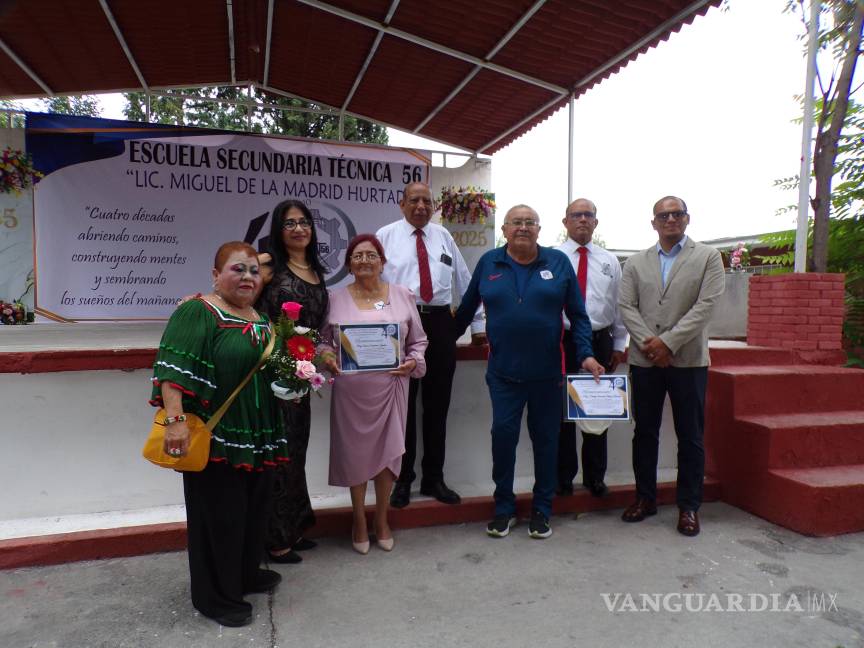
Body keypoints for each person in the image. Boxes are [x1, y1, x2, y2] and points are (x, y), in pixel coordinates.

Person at [150, 241, 287, 627]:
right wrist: (174, 420)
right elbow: (172, 366)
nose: (247, 277)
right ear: (215, 275)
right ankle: (216, 597)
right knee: (220, 516)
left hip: (256, 436)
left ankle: (244, 574)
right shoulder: (199, 311)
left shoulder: (258, 316)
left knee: (252, 512)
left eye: (253, 271)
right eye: (237, 269)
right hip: (217, 436)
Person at [453, 205, 603, 540]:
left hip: (548, 375)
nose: (523, 227)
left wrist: (587, 355)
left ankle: (542, 510)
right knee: (502, 440)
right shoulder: (490, 263)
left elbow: (579, 316)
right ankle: (503, 508)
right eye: (516, 223)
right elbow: (465, 311)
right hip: (503, 375)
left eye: (529, 223)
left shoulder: (557, 263)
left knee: (546, 443)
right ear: (504, 230)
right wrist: (438, 347)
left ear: (539, 229)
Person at [618, 196, 725, 537]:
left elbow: (706, 305)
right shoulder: (635, 262)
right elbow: (626, 306)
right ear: (653, 223)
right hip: (645, 362)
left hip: (689, 361)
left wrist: (669, 343)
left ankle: (688, 507)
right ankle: (645, 499)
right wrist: (652, 344)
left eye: (676, 214)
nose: (670, 220)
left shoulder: (708, 257)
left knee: (690, 435)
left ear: (687, 218)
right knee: (644, 433)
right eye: (663, 215)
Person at [376, 181, 485, 509]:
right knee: (403, 408)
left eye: (426, 200)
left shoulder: (444, 237)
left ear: (434, 205)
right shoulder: (385, 236)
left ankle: (433, 478)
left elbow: (467, 284)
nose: (421, 206)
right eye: (414, 200)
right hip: (399, 324)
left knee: (438, 407)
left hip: (439, 323)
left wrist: (478, 326)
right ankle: (403, 480)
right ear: (402, 203)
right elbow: (370, 282)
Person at [320, 234, 428, 554]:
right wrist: (326, 357)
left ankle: (382, 519)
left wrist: (413, 361)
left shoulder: (402, 295)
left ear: (383, 261)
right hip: (351, 391)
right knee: (355, 456)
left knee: (388, 455)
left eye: (371, 255)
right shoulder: (334, 298)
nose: (365, 260)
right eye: (357, 255)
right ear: (349, 263)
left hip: (392, 387)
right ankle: (357, 519)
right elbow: (323, 341)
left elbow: (418, 341)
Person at [259, 200, 329, 565]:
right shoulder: (268, 265)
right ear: (278, 229)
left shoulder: (316, 270)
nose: (298, 229)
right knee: (279, 457)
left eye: (304, 222)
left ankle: (294, 527)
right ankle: (274, 539)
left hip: (301, 375)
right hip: (272, 375)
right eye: (290, 223)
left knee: (296, 454)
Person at [556, 198, 627, 498]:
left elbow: (619, 305)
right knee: (562, 412)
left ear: (596, 222)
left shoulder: (610, 261)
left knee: (598, 407)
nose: (583, 220)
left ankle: (595, 476)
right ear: (566, 222)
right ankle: (563, 477)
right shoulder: (552, 257)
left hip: (600, 340)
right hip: (563, 340)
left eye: (588, 215)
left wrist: (620, 343)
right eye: (576, 215)